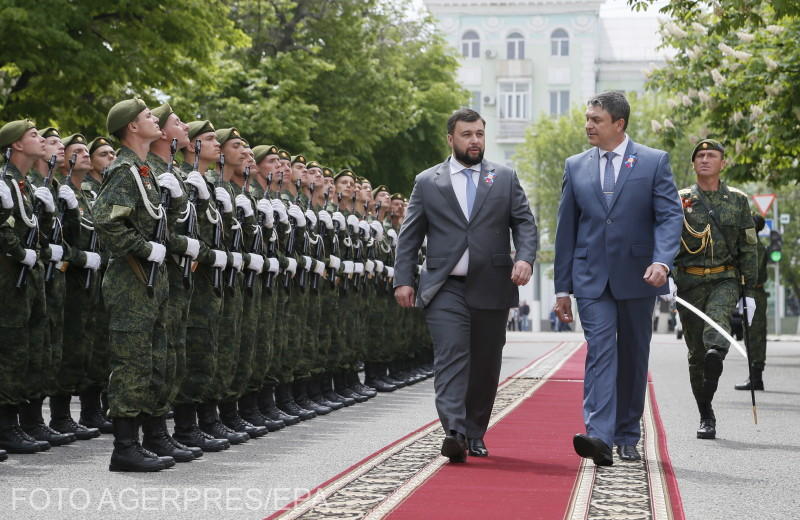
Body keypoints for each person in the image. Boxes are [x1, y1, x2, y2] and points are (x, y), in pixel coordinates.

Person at [394, 108, 538, 463]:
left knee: (486, 364)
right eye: (467, 134)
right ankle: (454, 433)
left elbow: (524, 223)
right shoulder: (428, 181)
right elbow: (409, 236)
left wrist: (525, 258)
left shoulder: (504, 178)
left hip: (493, 284)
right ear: (451, 139)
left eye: (479, 134)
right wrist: (403, 280)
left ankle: (475, 432)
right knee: (451, 355)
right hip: (444, 286)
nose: (475, 141)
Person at [553, 91, 683, 465]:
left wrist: (662, 262)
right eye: (587, 118)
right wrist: (562, 288)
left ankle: (627, 434)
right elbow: (566, 229)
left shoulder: (653, 162)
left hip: (640, 276)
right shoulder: (575, 165)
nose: (588, 125)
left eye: (596, 119)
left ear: (619, 124)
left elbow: (669, 217)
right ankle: (599, 435)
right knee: (600, 350)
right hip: (590, 277)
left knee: (633, 354)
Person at [670, 139, 757, 440]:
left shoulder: (738, 201)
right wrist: (667, 275)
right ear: (694, 163)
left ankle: (716, 352)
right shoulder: (679, 200)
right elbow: (667, 240)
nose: (705, 159)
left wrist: (749, 293)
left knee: (716, 326)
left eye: (712, 155)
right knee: (697, 355)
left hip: (724, 279)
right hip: (689, 282)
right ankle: (705, 412)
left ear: (723, 163)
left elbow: (748, 247)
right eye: (700, 155)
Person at [735, 214, 768, 392]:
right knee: (750, 335)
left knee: (754, 336)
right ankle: (754, 377)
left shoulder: (755, 247)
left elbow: (751, 273)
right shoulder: (752, 245)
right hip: (751, 293)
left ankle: (756, 378)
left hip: (753, 293)